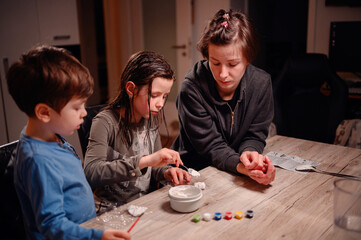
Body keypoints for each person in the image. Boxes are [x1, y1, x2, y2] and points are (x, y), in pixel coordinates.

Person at [6, 45, 131, 240]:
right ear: (44, 113)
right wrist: (96, 236)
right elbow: (52, 226)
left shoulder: (50, 136)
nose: (84, 112)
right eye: (77, 107)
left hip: (85, 227)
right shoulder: (39, 160)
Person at [172, 9, 275, 185]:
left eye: (233, 64)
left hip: (233, 169)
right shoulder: (191, 89)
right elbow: (212, 147)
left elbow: (255, 135)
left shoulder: (261, 83)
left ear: (248, 59)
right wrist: (242, 166)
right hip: (194, 172)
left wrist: (249, 154)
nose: (223, 74)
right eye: (215, 63)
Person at [84, 51, 191, 213]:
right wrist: (146, 160)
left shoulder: (150, 118)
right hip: (109, 211)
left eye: (165, 96)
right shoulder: (105, 122)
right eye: (155, 95)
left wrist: (166, 172)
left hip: (143, 205)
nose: (160, 104)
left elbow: (153, 166)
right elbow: (91, 172)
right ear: (131, 89)